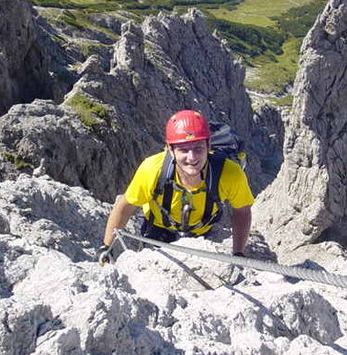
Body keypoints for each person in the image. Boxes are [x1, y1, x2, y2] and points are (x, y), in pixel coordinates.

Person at [101, 109, 254, 260]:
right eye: (183, 150)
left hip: (202, 234)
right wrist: (107, 247)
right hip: (157, 231)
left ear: (209, 146)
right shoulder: (152, 169)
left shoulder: (229, 173)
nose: (192, 157)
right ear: (170, 150)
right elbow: (126, 205)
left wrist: (238, 253)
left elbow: (242, 211)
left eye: (198, 148)